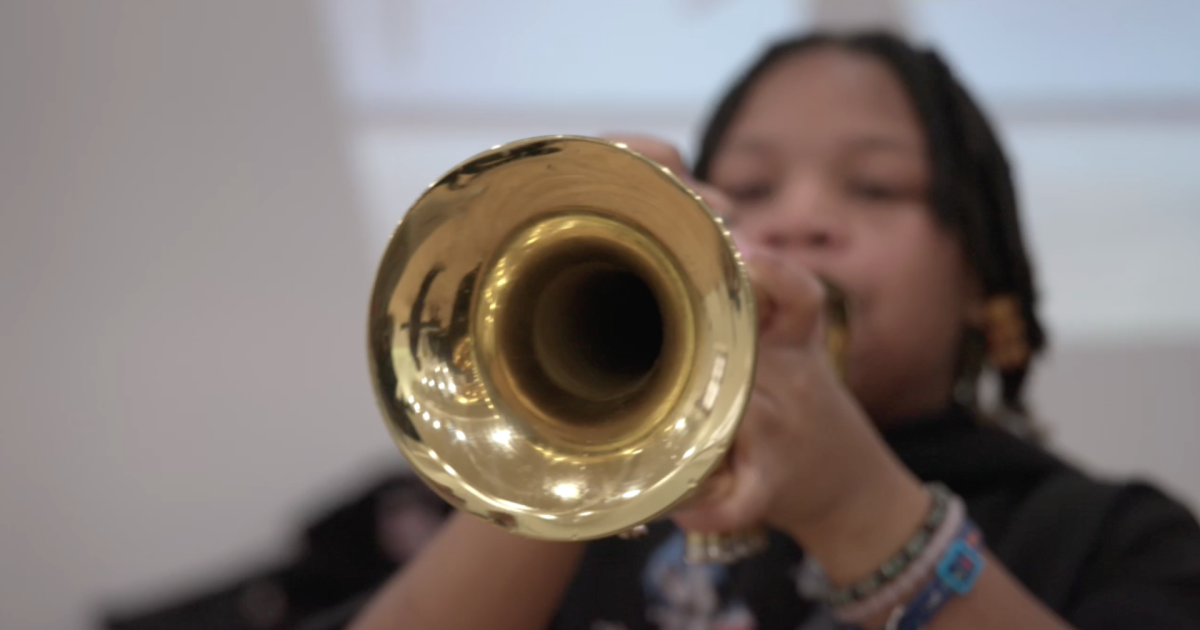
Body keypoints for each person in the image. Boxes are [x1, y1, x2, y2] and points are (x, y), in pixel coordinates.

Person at [347, 31, 1200, 630]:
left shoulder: (1105, 535)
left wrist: (857, 509)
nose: (799, 220)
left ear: (982, 281)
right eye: (750, 187)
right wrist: (558, 459)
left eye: (873, 187)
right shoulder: (589, 535)